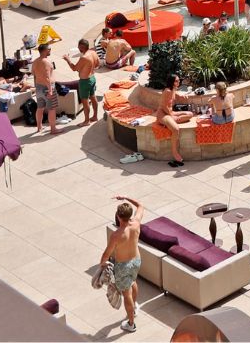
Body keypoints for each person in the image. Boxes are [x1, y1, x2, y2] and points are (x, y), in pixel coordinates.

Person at [99, 196, 145, 333]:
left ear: (118, 217)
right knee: (132, 281)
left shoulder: (116, 235)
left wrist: (102, 265)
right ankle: (134, 307)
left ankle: (131, 324)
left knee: (126, 295)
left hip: (123, 266)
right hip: (136, 260)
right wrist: (125, 198)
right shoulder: (136, 223)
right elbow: (140, 205)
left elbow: (106, 254)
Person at [155, 74, 193, 167]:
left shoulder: (173, 89)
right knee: (176, 129)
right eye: (176, 81)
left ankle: (170, 123)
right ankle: (175, 153)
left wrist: (182, 96)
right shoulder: (167, 91)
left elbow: (175, 94)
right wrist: (171, 115)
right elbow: (164, 106)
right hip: (163, 114)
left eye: (179, 80)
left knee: (190, 114)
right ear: (172, 82)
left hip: (171, 113)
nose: (178, 82)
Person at [64, 39, 101, 125]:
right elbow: (98, 63)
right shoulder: (93, 52)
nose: (78, 47)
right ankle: (95, 116)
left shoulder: (84, 58)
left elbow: (74, 68)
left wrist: (68, 60)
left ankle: (86, 121)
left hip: (85, 82)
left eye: (78, 46)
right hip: (92, 78)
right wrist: (88, 68)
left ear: (81, 47)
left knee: (85, 101)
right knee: (93, 97)